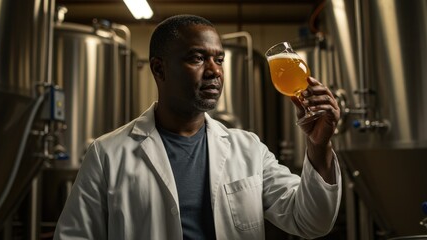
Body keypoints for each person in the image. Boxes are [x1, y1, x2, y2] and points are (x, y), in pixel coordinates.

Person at [54, 14, 342, 240]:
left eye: (219, 59)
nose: (214, 71)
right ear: (159, 68)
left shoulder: (248, 149)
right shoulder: (108, 154)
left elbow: (311, 222)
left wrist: (319, 146)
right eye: (197, 58)